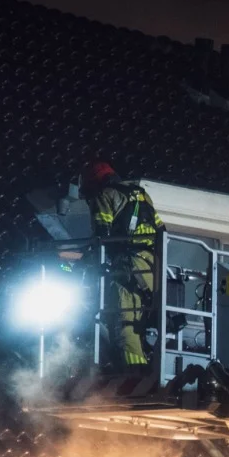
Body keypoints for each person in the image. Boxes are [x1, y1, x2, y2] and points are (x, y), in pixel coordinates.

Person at [78, 159, 163, 371]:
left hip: (126, 267)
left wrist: (84, 263)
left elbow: (101, 237)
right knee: (144, 321)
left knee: (124, 325)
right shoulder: (141, 193)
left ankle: (134, 375)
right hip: (152, 266)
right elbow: (162, 230)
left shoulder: (104, 195)